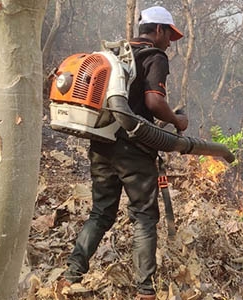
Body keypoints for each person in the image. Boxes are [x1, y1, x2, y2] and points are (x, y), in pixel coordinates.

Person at [62, 6, 188, 300]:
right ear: (158, 30)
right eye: (169, 35)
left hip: (102, 143)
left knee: (101, 213)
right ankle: (145, 291)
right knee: (144, 217)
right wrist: (177, 120)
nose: (170, 42)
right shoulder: (155, 57)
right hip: (134, 148)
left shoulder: (116, 54)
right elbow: (155, 101)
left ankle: (71, 275)